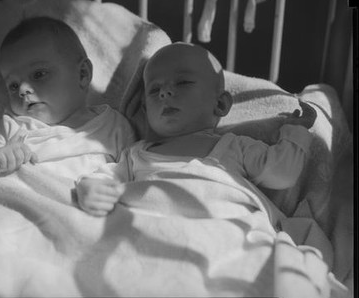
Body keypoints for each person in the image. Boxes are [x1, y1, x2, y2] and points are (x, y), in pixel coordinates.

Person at [75, 42, 317, 217]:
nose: (165, 92)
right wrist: (89, 188)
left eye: (183, 82)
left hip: (222, 228)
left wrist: (295, 131)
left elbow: (282, 173)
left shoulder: (235, 146)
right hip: (153, 230)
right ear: (145, 110)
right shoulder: (135, 154)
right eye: (154, 89)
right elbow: (106, 176)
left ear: (220, 104)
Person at [0, 16, 136, 179]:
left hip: (82, 200)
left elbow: (134, 169)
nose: (22, 90)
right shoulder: (15, 124)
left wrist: (101, 184)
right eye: (13, 85)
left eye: (38, 74)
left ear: (82, 75)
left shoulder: (113, 126)